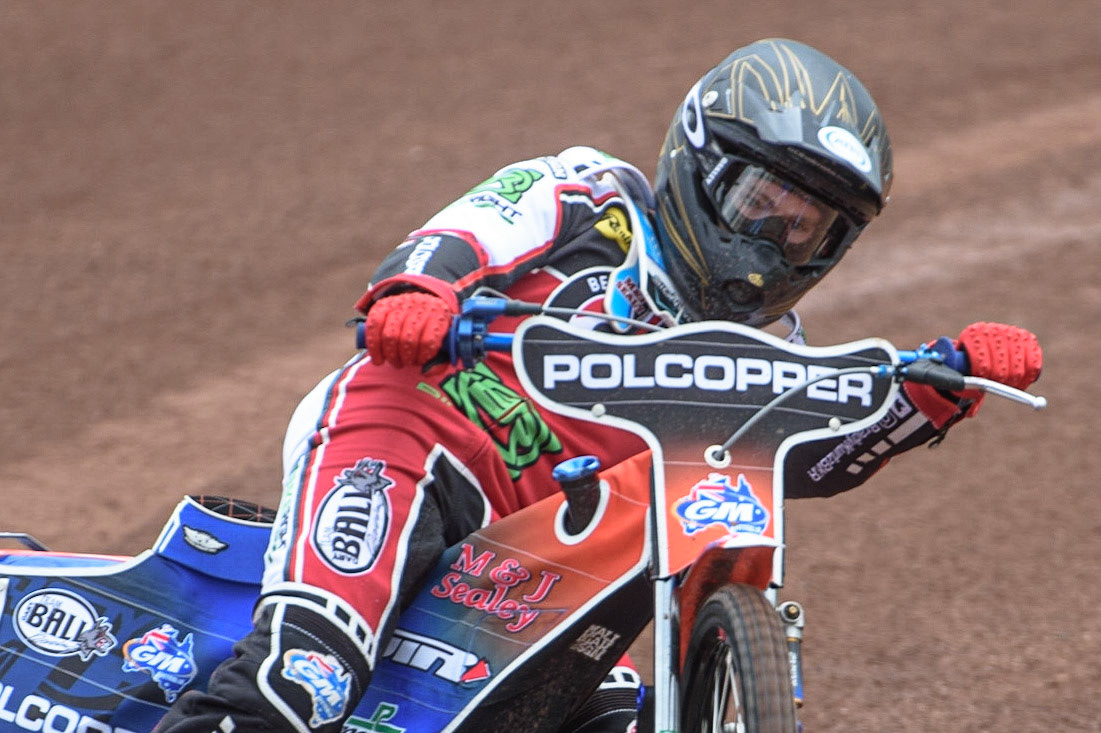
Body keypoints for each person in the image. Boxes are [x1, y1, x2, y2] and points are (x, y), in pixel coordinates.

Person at [156, 38, 1042, 732]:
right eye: (758, 205)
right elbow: (473, 226)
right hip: (406, 447)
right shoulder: (590, 196)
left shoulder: (768, 346)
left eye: (807, 231)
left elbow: (803, 463)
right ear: (698, 160)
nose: (774, 243)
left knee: (610, 716)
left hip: (534, 562)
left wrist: (935, 390)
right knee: (300, 682)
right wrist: (418, 289)